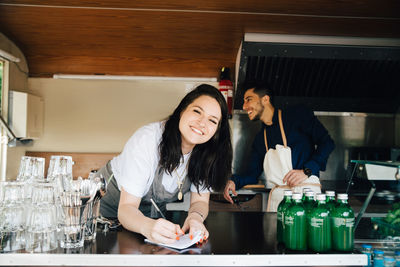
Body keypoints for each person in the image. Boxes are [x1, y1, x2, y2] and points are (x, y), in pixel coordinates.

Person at [98, 84, 232, 245]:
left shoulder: (207, 154)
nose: (202, 123)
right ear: (182, 110)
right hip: (103, 217)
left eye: (212, 120)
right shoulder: (147, 140)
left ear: (217, 130)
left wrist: (195, 218)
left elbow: (200, 202)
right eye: (197, 111)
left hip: (144, 222)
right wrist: (148, 226)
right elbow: (126, 209)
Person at [223, 82, 334, 211]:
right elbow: (252, 173)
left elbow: (327, 142)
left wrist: (307, 170)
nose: (244, 106)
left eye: (249, 100)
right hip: (280, 199)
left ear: (265, 99)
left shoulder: (297, 116)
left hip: (307, 196)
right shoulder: (260, 138)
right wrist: (234, 181)